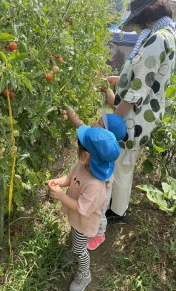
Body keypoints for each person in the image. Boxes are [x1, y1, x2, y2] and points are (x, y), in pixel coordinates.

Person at [102, 0, 176, 229]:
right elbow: (145, 73)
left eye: (135, 20)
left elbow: (137, 89)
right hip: (145, 113)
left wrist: (115, 120)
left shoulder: (157, 39)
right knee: (125, 163)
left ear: (145, 16)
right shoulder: (163, 33)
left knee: (122, 165)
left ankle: (116, 212)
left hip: (136, 117)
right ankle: (117, 206)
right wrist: (119, 77)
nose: (134, 27)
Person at [47, 125, 120, 291]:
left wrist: (61, 196)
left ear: (87, 154)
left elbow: (81, 208)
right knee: (75, 239)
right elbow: (69, 178)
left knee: (81, 249)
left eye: (78, 145)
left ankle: (84, 273)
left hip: (84, 222)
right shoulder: (82, 165)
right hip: (76, 218)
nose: (76, 148)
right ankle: (74, 252)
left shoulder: (95, 185)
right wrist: (58, 181)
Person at [64, 107, 127, 250]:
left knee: (99, 213)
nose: (95, 123)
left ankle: (99, 234)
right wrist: (70, 113)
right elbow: (80, 125)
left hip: (97, 199)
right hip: (89, 195)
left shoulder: (100, 172)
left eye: (99, 122)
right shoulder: (98, 145)